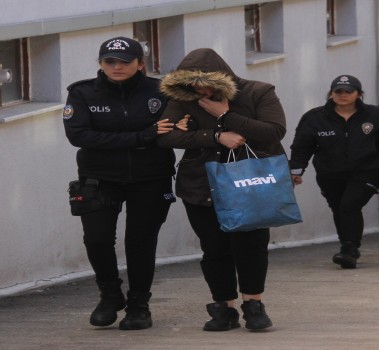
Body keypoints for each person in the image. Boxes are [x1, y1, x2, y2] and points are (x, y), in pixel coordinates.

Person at [157, 48, 285, 331]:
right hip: (201, 184)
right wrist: (216, 136)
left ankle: (253, 304)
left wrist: (225, 114)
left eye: (205, 81)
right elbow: (165, 137)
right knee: (214, 248)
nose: (200, 89)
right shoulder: (183, 99)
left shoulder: (258, 92)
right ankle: (224, 309)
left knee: (251, 245)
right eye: (191, 83)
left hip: (249, 182)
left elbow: (274, 132)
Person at [63, 36, 176, 330]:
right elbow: (80, 136)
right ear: (100, 63)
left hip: (150, 177)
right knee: (97, 239)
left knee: (140, 243)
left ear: (140, 64)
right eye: (110, 61)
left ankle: (139, 305)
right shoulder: (83, 93)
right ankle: (110, 294)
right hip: (100, 177)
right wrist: (142, 135)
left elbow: (173, 131)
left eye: (125, 61)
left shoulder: (161, 91)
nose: (117, 66)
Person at [290, 75, 379, 269]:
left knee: (349, 206)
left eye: (348, 91)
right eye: (338, 91)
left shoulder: (375, 116)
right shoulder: (315, 118)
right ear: (332, 93)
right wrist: (296, 170)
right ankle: (347, 245)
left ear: (358, 94)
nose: (342, 95)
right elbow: (302, 146)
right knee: (339, 208)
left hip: (367, 171)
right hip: (329, 174)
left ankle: (350, 248)